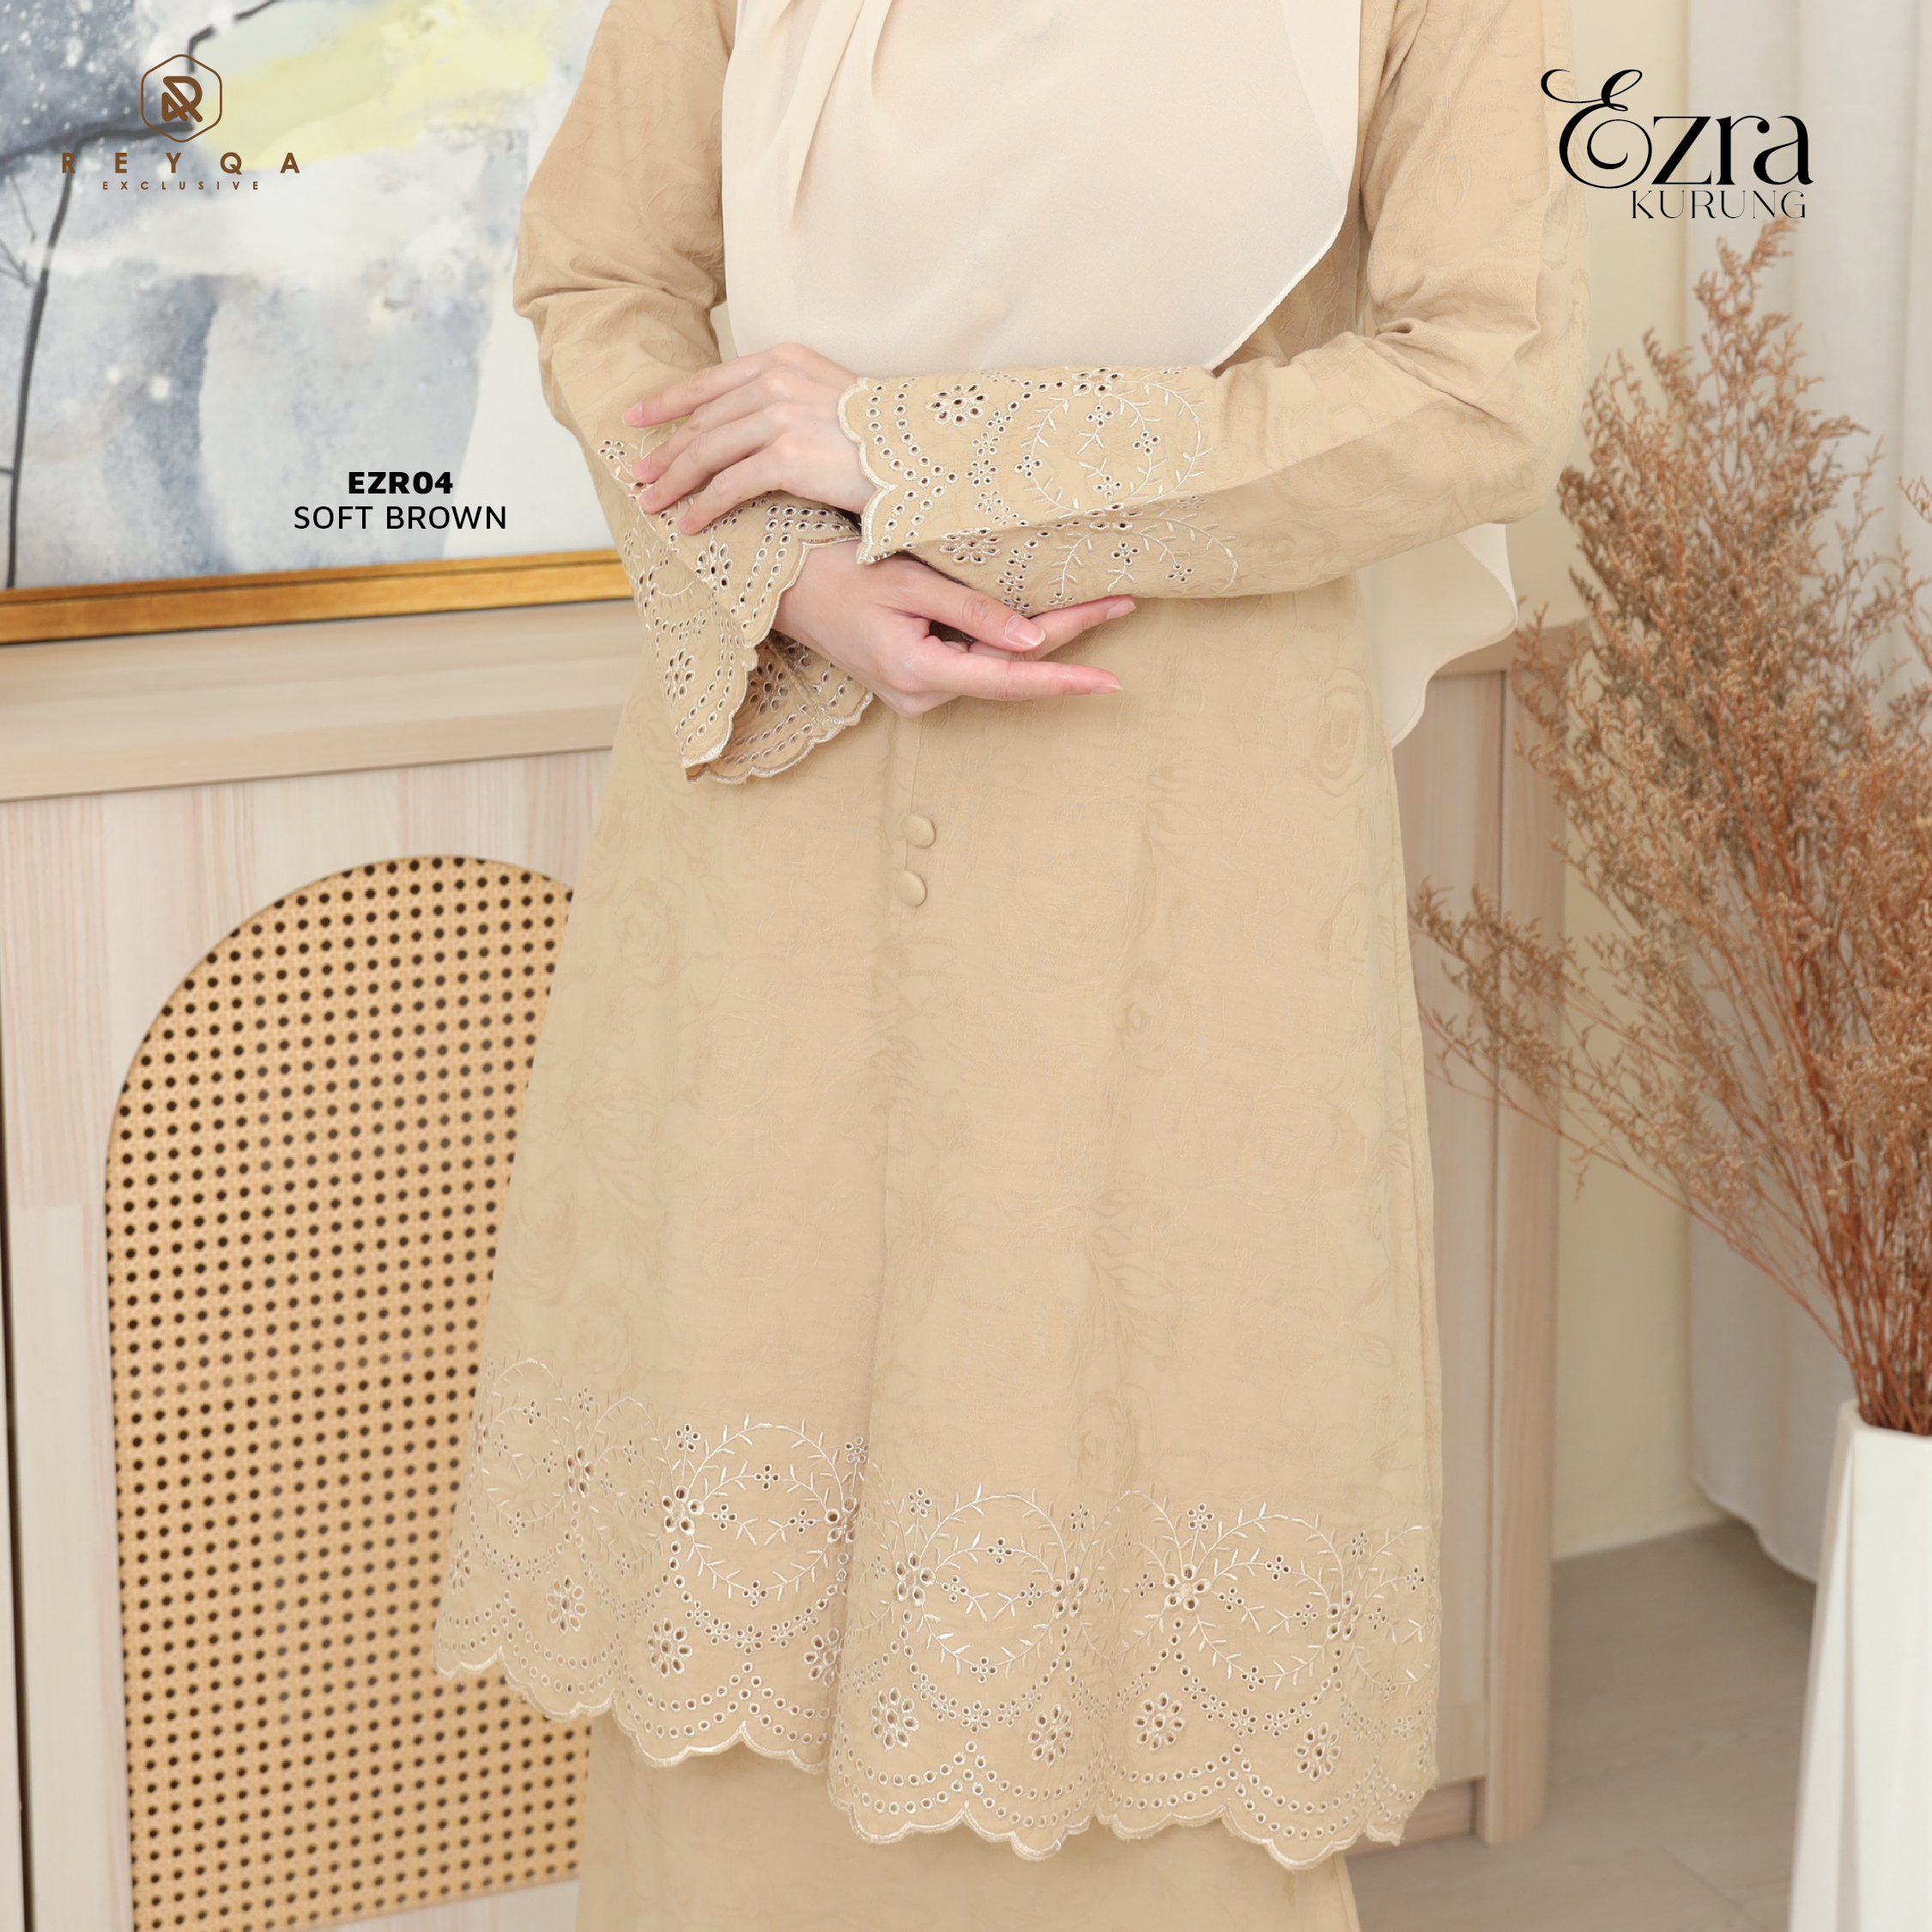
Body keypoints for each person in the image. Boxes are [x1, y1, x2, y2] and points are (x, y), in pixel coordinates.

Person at [433, 2, 1588, 1926]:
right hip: (783, 806)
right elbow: (601, 276)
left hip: (1181, 836)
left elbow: (1488, 387)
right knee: (754, 1492)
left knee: (1141, 1478)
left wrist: (924, 447)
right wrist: (793, 566)